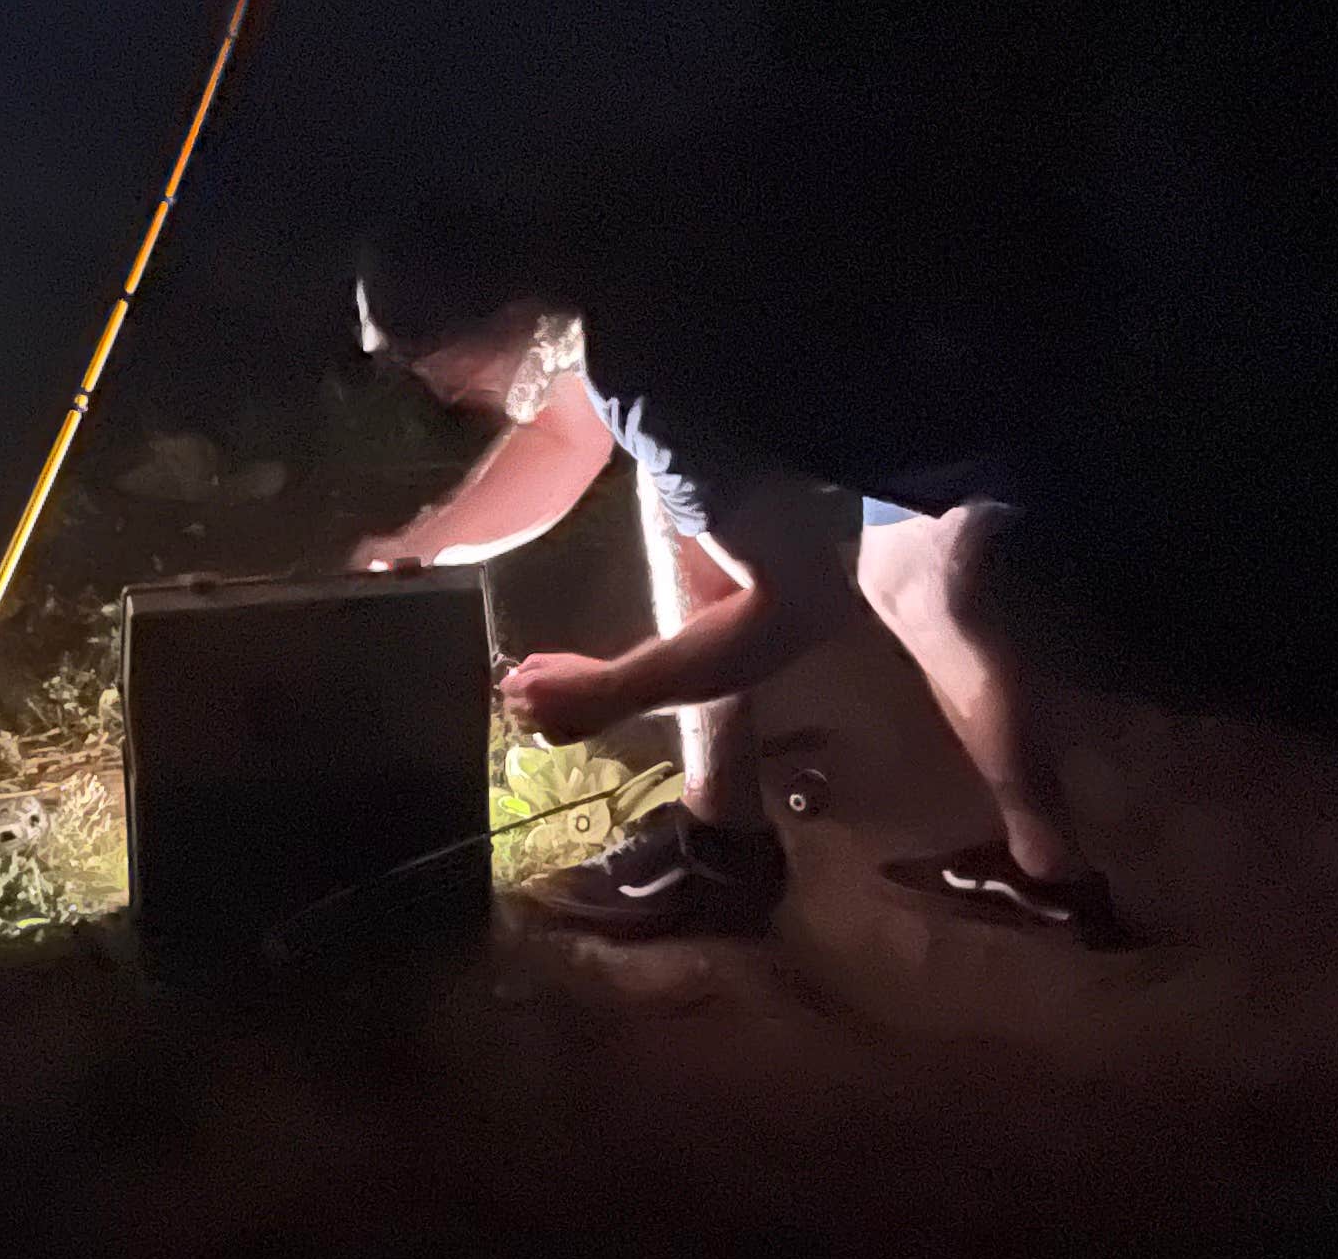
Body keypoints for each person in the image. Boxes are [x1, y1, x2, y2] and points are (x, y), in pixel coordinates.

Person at [338, 208, 1131, 947]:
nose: (439, 391)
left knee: (714, 510)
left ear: (503, 313)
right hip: (971, 333)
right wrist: (423, 544)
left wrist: (605, 692)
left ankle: (720, 853)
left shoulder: (649, 367)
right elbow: (565, 442)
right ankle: (1051, 873)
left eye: (433, 361)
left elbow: (801, 604)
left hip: (970, 366)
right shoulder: (603, 262)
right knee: (914, 586)